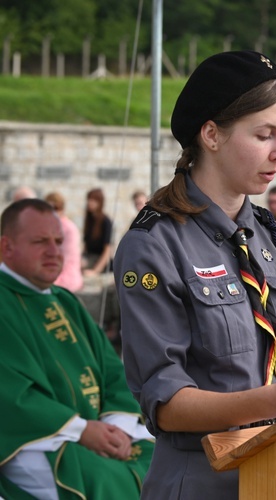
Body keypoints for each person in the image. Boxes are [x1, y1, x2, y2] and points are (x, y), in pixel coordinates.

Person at [113, 50, 276, 499]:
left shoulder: (267, 234)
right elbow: (166, 404)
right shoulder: (153, 245)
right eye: (265, 135)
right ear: (211, 135)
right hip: (207, 483)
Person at [0, 199, 153, 499]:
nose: (54, 252)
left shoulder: (64, 299)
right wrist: (80, 430)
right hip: (36, 438)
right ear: (6, 247)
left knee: (161, 461)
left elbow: (111, 371)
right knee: (104, 480)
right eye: (40, 242)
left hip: (97, 429)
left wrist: (116, 425)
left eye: (58, 241)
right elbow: (10, 395)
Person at [44, 191, 84, 292]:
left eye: (56, 208)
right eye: (49, 209)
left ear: (62, 208)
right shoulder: (51, 226)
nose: (53, 212)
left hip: (65, 278)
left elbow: (66, 259)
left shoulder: (68, 228)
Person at [82, 187, 113, 276]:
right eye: (89, 200)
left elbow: (107, 251)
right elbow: (85, 247)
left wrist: (95, 271)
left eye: (93, 200)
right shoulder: (90, 220)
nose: (89, 203)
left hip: (100, 262)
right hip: (89, 258)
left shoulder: (106, 221)